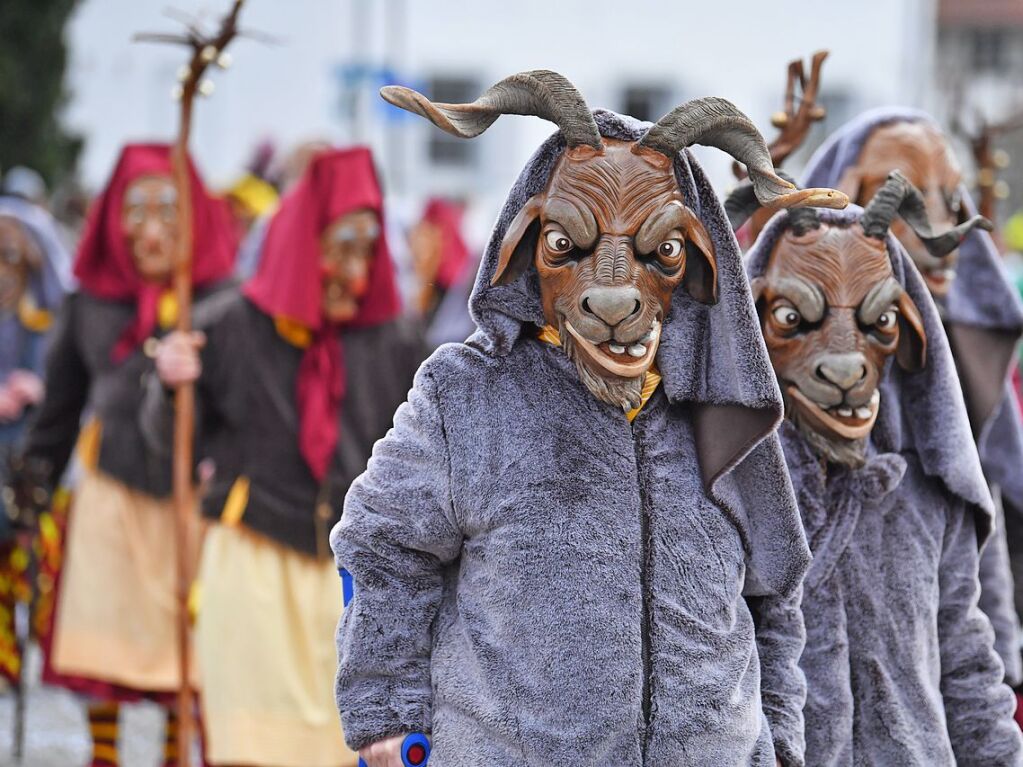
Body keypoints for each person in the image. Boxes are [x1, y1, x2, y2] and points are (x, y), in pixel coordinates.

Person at [332, 70, 847, 766]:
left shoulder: (728, 411)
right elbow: (383, 544)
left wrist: (778, 741)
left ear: (696, 262)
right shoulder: (468, 395)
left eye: (657, 249)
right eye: (567, 245)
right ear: (526, 249)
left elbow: (775, 596)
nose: (612, 289)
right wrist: (385, 720)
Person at [146, 146, 425, 767]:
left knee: (342, 748)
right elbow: (171, 450)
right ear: (303, 243)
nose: (354, 274)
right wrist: (169, 388)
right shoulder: (229, 328)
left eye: (366, 252)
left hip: (355, 586)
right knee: (252, 746)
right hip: (252, 565)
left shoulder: (398, 346)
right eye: (338, 250)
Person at [736, 170, 1023, 764]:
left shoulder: (927, 494)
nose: (844, 360)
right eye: (794, 319)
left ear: (910, 335)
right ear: (752, 328)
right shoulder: (722, 494)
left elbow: (968, 667)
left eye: (878, 322)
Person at [14, 143, 237, 767]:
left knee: (183, 646)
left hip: (191, 498)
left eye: (169, 210)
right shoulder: (89, 307)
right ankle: (104, 754)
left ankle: (172, 756)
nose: (150, 229)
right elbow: (57, 415)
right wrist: (30, 489)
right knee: (103, 634)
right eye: (135, 211)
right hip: (108, 497)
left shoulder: (224, 306)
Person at [802, 108, 1023, 688]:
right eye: (906, 201)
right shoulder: (784, 367)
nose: (941, 226)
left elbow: (979, 561)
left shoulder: (953, 387)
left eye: (951, 198)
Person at [0, 193, 70, 688]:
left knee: (35, 552)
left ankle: (36, 651)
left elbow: (65, 378)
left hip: (28, 450)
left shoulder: (42, 316)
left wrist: (37, 387)